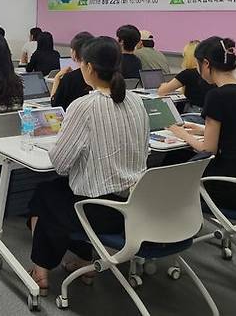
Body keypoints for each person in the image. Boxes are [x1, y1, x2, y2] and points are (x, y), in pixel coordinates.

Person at [27, 36, 149, 293]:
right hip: (135, 205)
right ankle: (84, 261)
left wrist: (53, 145)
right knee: (54, 194)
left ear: (90, 68)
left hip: (99, 210)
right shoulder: (137, 101)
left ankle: (41, 271)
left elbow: (60, 164)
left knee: (45, 195)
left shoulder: (83, 106)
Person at [167, 37, 236, 211]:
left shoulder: (217, 95)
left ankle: (176, 228)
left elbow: (208, 150)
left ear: (206, 64)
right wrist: (202, 130)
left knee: (172, 167)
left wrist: (183, 134)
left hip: (228, 184)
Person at [158, 40, 215, 112]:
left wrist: (164, 85)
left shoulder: (187, 74)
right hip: (211, 113)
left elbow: (162, 91)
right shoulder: (213, 74)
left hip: (194, 114)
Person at [50, 32, 94, 110]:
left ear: (74, 53)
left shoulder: (69, 78)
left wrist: (57, 78)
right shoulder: (98, 75)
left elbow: (55, 106)